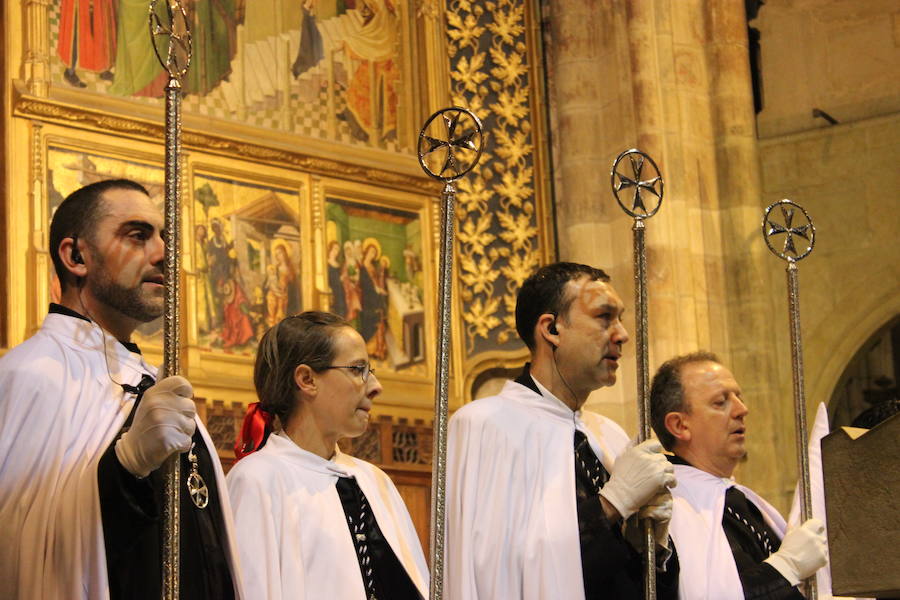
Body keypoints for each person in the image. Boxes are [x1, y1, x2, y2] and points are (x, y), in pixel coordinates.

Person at [0, 179, 244, 599]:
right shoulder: (32, 375)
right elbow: (19, 549)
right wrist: (126, 468)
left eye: (165, 237)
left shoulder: (150, 378)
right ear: (76, 256)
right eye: (137, 236)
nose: (164, 254)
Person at [446, 262, 679, 599]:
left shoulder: (609, 435)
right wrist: (612, 505)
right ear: (552, 329)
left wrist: (651, 549)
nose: (622, 334)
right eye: (604, 317)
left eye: (621, 318)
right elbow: (498, 573)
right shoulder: (485, 426)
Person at [227, 311, 429, 599]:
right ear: (307, 379)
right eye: (358, 369)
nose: (375, 387)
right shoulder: (258, 480)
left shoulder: (374, 481)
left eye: (371, 370)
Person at [649, 351, 829, 600]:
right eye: (720, 402)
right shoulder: (671, 512)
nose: (742, 409)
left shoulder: (737, 500)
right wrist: (786, 568)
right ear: (680, 425)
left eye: (738, 397)